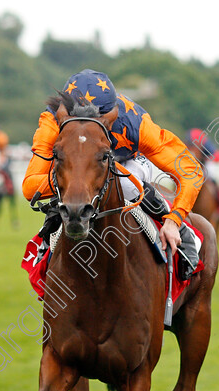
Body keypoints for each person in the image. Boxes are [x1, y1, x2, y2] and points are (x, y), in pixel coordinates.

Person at [22, 69, 203, 278]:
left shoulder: (136, 123)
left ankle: (178, 229)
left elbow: (190, 170)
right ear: (64, 114)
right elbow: (30, 187)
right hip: (75, 168)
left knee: (126, 185)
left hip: (126, 161)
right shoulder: (51, 122)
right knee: (68, 192)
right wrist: (76, 181)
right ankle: (47, 242)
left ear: (113, 113)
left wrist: (175, 219)